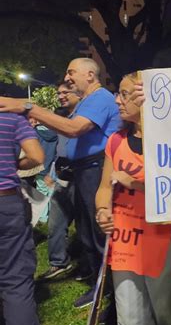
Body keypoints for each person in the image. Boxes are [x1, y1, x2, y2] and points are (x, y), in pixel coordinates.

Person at [0, 58, 120, 307]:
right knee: (86, 229)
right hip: (82, 171)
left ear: (90, 75)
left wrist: (28, 107)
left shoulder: (100, 97)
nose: (67, 77)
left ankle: (108, 286)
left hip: (96, 170)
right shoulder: (87, 100)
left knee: (97, 229)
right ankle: (98, 278)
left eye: (71, 72)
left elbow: (73, 129)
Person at [96, 72, 171, 325]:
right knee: (129, 317)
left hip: (164, 238)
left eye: (124, 94)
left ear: (145, 97)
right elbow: (104, 187)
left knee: (165, 314)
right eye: (118, 93)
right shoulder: (116, 141)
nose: (117, 100)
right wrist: (102, 211)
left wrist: (135, 183)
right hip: (124, 238)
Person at [0, 111, 44, 325]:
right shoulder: (12, 119)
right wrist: (13, 165)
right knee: (15, 280)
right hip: (6, 201)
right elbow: (36, 156)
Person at [38, 83, 82, 280]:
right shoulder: (60, 119)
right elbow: (57, 148)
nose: (61, 96)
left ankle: (89, 264)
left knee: (85, 225)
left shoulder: (83, 118)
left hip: (82, 175)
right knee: (56, 223)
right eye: (59, 93)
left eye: (66, 92)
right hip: (62, 176)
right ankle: (58, 263)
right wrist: (51, 172)